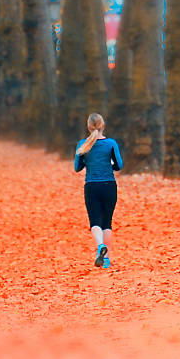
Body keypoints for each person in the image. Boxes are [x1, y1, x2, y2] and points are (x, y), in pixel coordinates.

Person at [74, 113, 123, 269]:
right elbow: (119, 165)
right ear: (103, 125)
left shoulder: (82, 144)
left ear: (89, 127)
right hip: (109, 185)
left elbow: (77, 167)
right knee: (107, 223)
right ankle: (106, 259)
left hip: (91, 186)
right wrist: (110, 164)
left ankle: (100, 245)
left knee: (95, 221)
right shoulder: (111, 144)